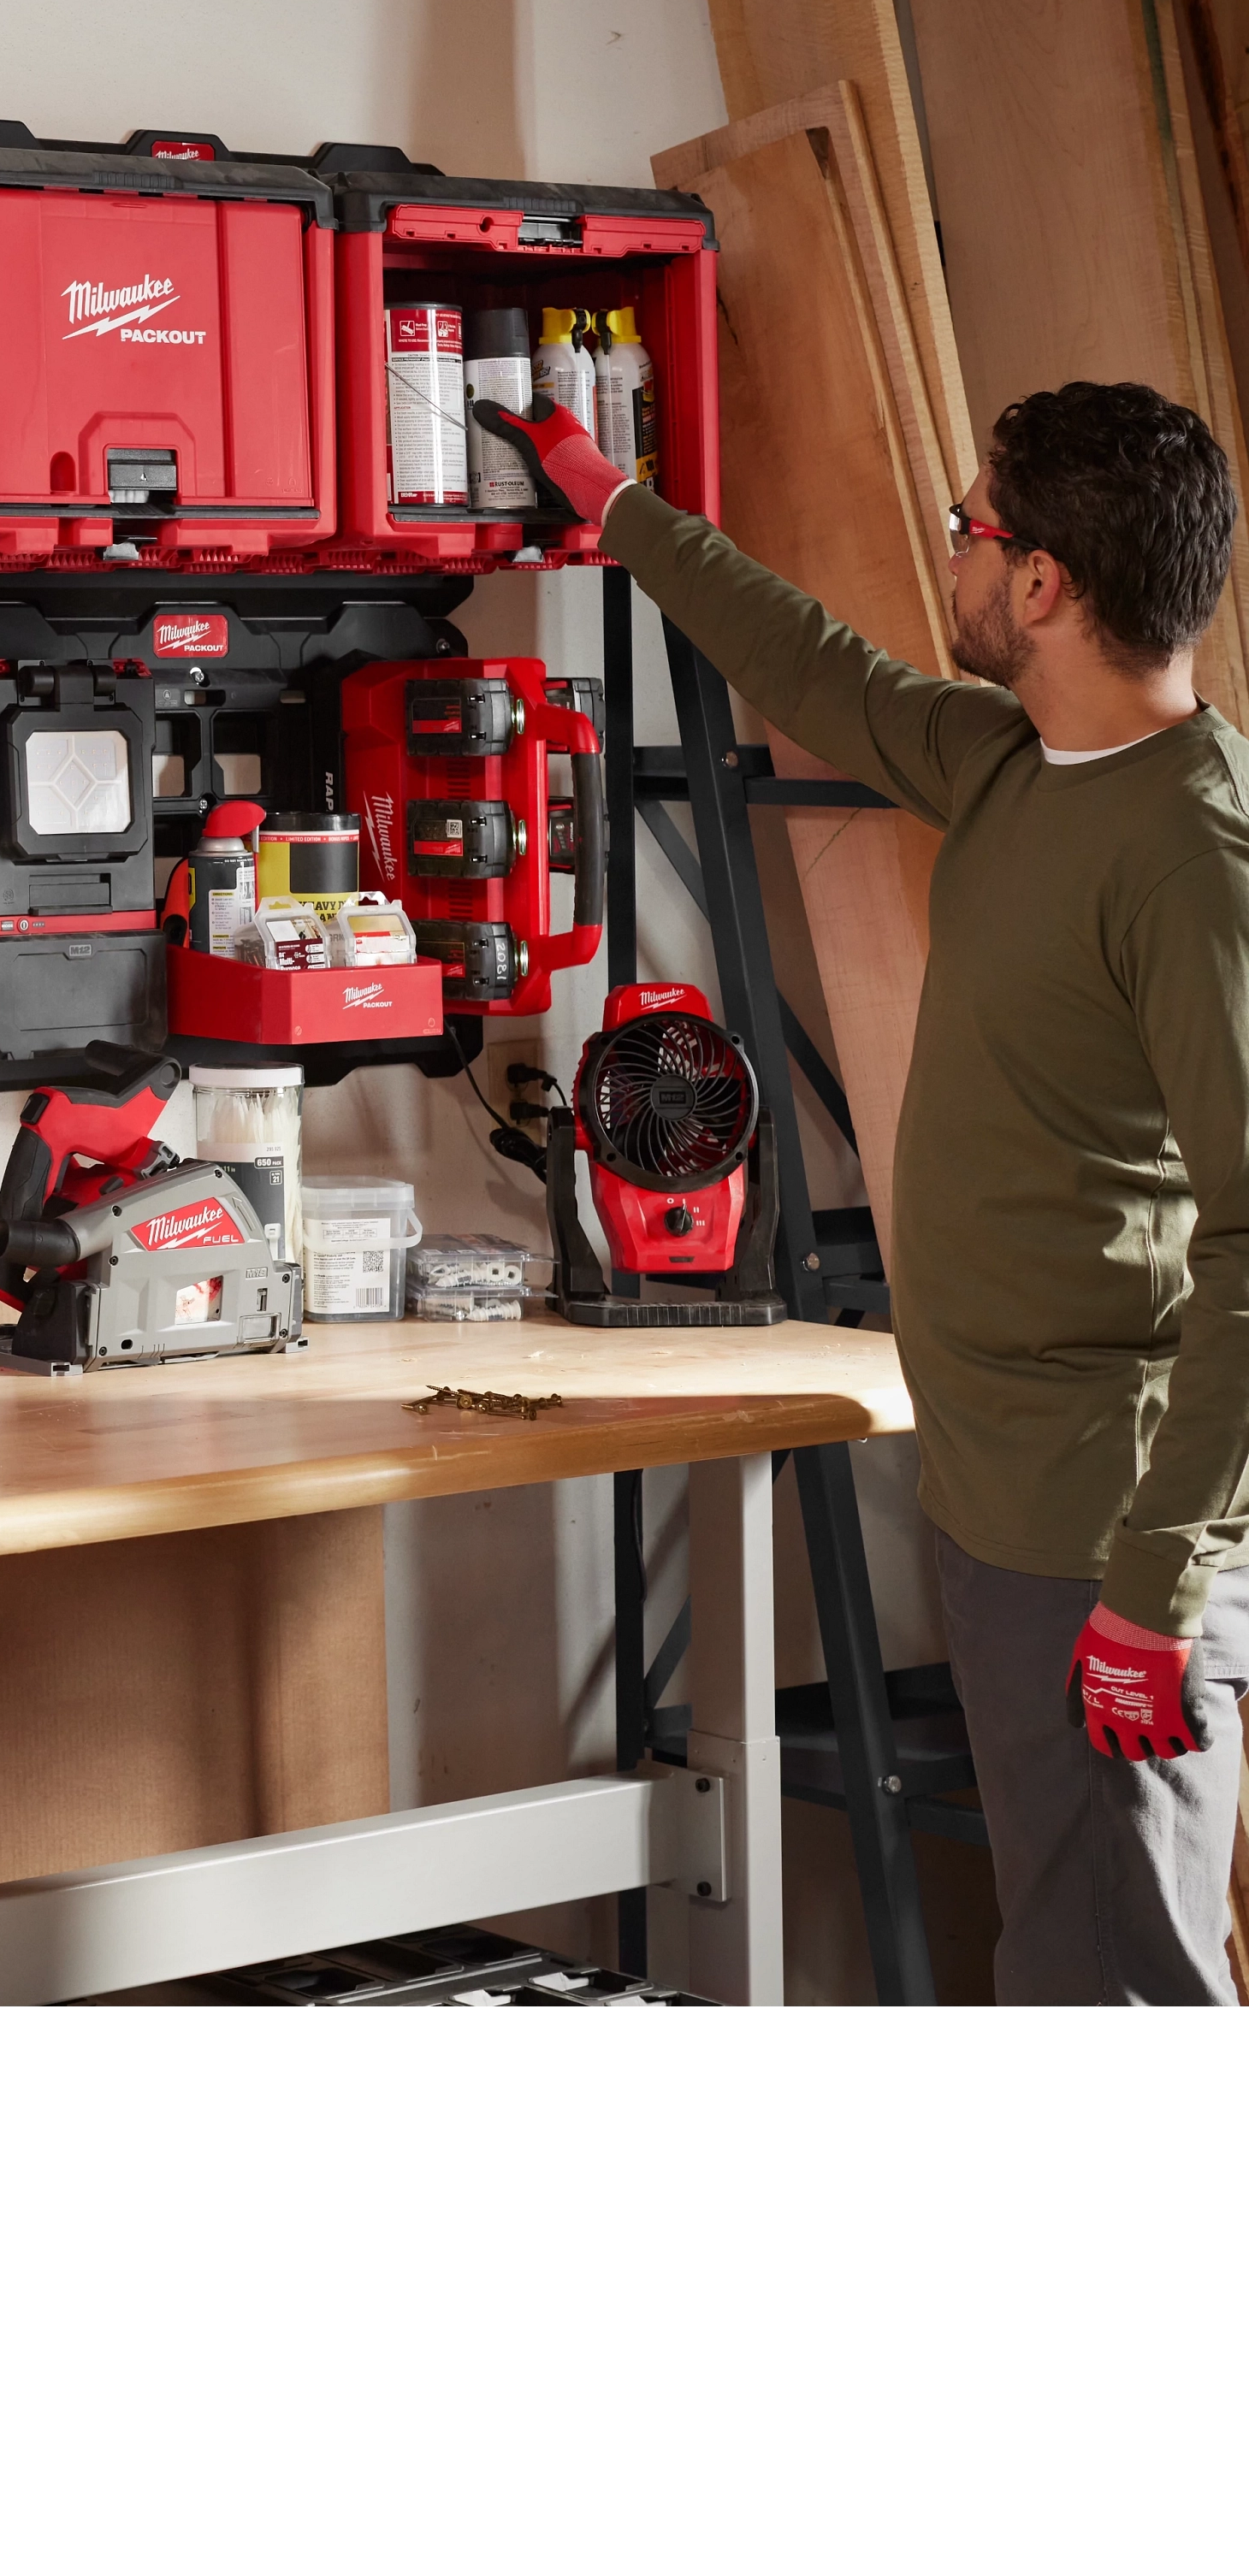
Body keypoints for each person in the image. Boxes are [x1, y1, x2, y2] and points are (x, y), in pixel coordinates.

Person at [482, 376, 1249, 2007]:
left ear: (1044, 584)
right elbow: (819, 666)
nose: (955, 550)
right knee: (1063, 1941)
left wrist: (1157, 1587)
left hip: (1105, 1530)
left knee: (1120, 1967)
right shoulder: (1018, 770)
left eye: (974, 525)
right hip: (999, 1496)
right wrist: (612, 505)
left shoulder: (1196, 865)